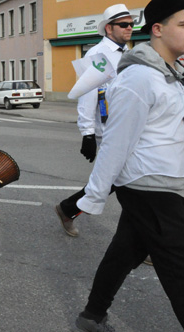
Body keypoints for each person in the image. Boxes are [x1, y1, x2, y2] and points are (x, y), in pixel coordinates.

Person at [73, 1, 184, 330]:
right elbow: (115, 140)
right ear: (158, 29)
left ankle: (91, 315)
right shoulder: (139, 77)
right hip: (151, 185)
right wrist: (93, 193)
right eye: (183, 23)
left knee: (127, 249)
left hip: (165, 180)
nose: (125, 29)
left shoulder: (172, 74)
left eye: (127, 24)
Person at [55, 4, 136, 237]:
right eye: (124, 24)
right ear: (109, 28)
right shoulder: (96, 55)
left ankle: (68, 209)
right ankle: (144, 242)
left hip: (130, 126)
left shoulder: (129, 53)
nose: (130, 28)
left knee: (119, 181)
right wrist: (88, 133)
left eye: (131, 24)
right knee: (128, 183)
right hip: (109, 129)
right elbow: (87, 95)